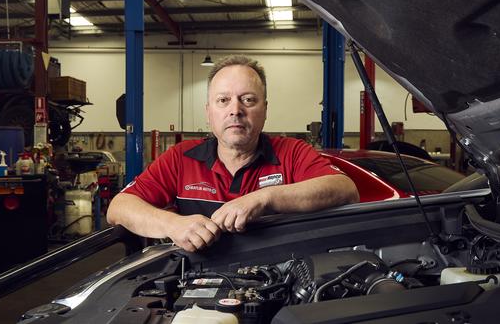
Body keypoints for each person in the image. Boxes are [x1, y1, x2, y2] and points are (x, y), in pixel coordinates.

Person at [107, 55, 359, 252]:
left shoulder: (291, 152)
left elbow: (344, 189)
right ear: (208, 112)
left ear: (265, 109)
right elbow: (119, 207)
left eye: (248, 100)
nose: (235, 110)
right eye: (223, 100)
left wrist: (265, 199)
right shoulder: (181, 158)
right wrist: (173, 225)